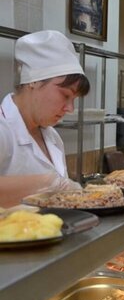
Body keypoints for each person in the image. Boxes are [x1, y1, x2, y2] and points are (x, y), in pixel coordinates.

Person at [0, 30, 90, 198]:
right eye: (65, 95)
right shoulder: (3, 128)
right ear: (34, 81)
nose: (70, 109)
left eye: (74, 99)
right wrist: (47, 184)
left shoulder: (52, 137)